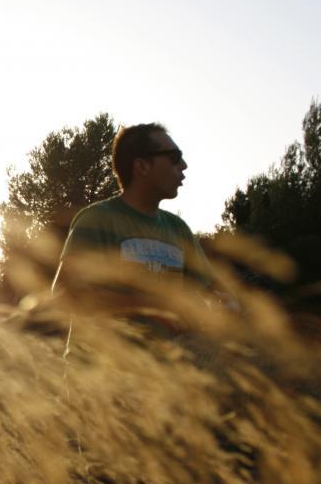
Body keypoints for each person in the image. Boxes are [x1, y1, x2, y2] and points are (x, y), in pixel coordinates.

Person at [51, 123, 220, 340]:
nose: (184, 165)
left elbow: (213, 291)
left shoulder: (178, 229)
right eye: (175, 157)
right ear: (142, 166)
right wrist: (153, 305)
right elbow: (66, 298)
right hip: (95, 372)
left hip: (163, 373)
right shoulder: (96, 220)